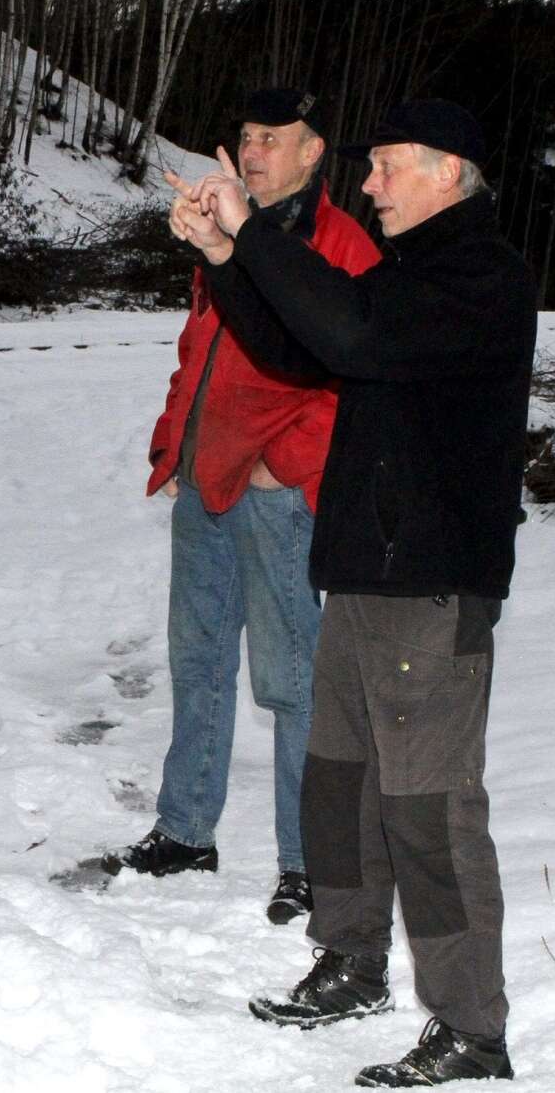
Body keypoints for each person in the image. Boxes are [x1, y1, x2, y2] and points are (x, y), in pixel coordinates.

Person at [168, 99, 535, 1086]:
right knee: (336, 786)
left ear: (447, 170)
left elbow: (354, 333)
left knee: (427, 811)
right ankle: (350, 959)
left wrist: (252, 228)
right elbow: (306, 347)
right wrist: (223, 256)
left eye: (385, 165)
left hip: (431, 588)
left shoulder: (481, 276)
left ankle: (471, 1029)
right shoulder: (408, 271)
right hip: (365, 575)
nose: (367, 184)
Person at [102, 88, 379, 925]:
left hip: (276, 496)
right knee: (196, 660)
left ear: (312, 151)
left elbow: (355, 377)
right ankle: (186, 830)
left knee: (291, 681)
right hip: (207, 480)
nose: (253, 151)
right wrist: (174, 445)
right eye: (247, 136)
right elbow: (200, 348)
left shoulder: (341, 245)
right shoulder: (222, 229)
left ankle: (308, 861)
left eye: (273, 138)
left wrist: (283, 466)